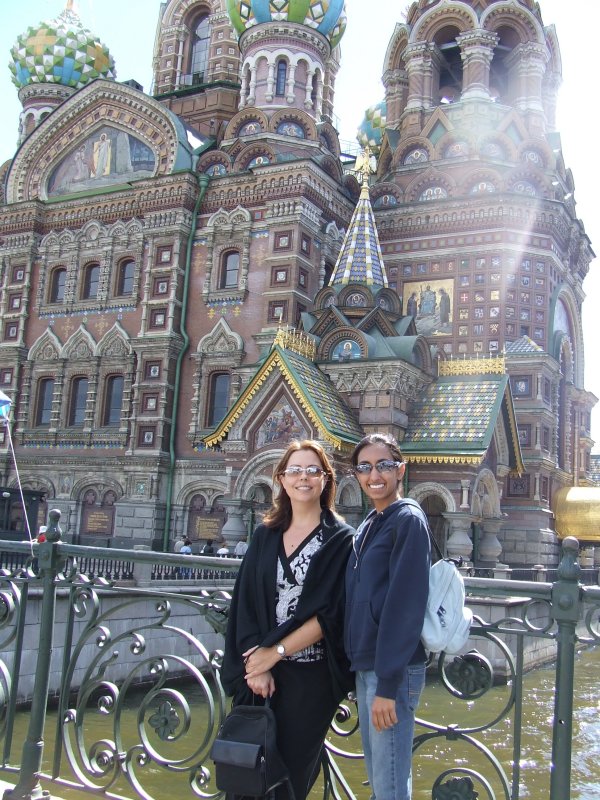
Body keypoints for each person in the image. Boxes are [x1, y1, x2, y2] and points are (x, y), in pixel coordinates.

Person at [221, 440, 354, 800]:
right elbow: (245, 601)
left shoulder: (340, 540)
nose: (303, 478)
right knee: (245, 774)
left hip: (309, 680)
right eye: (295, 470)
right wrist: (257, 664)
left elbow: (332, 614)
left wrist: (275, 652)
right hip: (258, 677)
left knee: (288, 781)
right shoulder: (266, 534)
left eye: (313, 470)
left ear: (326, 480)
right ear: (281, 479)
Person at [344, 433, 430, 800]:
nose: (373, 475)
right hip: (369, 665)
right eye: (364, 467)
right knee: (382, 780)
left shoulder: (407, 519)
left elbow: (404, 604)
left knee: (390, 784)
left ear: (400, 470)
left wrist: (388, 686)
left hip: (391, 670)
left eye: (383, 465)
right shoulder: (370, 522)